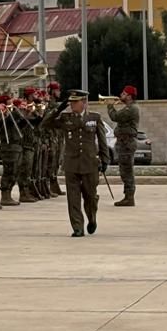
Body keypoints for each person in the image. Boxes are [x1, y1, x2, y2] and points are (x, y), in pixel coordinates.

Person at [42, 89, 110, 237]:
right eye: (71, 102)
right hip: (71, 163)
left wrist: (105, 159)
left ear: (84, 103)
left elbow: (102, 140)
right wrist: (59, 108)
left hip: (89, 163)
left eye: (75, 102)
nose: (72, 105)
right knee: (73, 198)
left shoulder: (95, 117)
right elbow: (46, 123)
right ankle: (77, 228)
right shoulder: (66, 118)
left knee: (90, 197)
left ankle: (92, 218)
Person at [106, 87, 140, 206]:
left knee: (126, 171)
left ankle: (129, 197)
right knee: (124, 170)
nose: (121, 95)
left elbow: (115, 117)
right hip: (124, 143)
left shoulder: (131, 109)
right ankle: (128, 196)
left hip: (127, 143)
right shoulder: (128, 108)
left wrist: (110, 106)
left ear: (130, 96)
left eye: (124, 93)